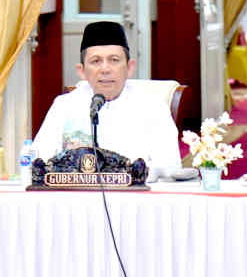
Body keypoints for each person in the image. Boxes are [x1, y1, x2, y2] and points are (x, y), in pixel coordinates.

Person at [33, 21, 182, 177]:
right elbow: (39, 159)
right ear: (82, 71)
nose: (105, 69)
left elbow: (170, 166)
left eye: (114, 60)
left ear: (129, 67)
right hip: (76, 191)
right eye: (96, 61)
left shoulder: (153, 106)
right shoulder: (64, 105)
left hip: (137, 190)